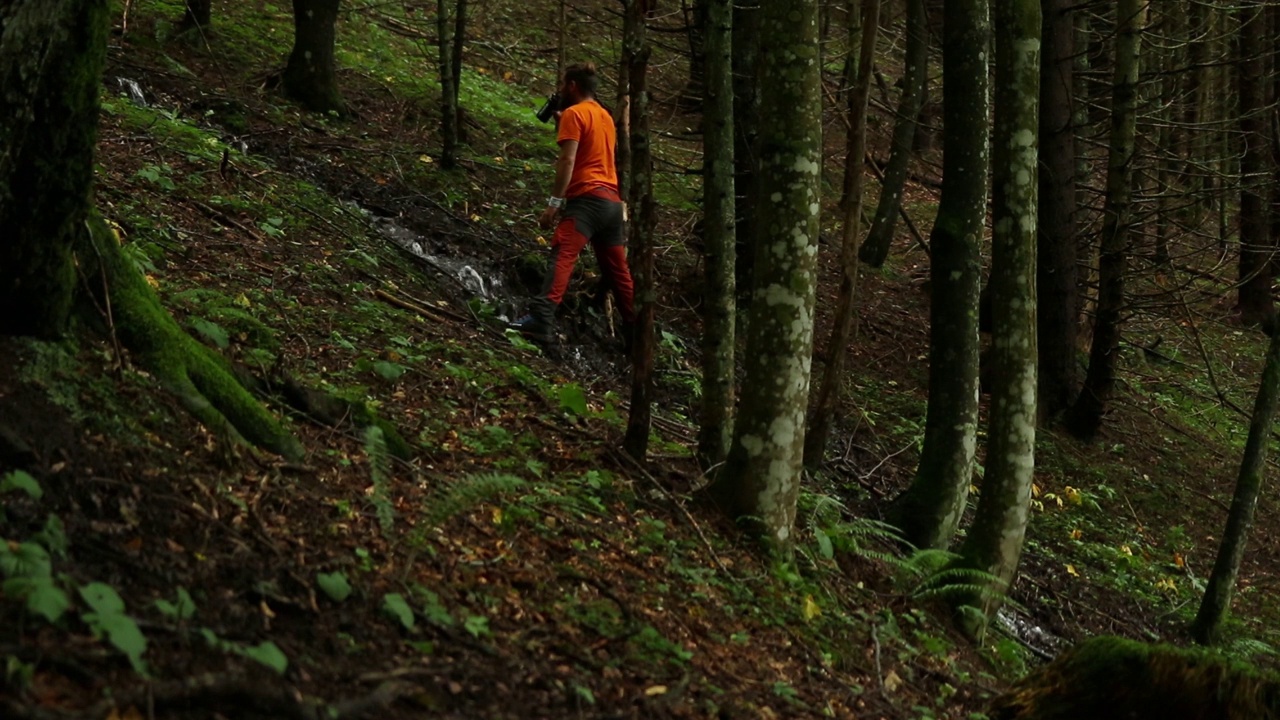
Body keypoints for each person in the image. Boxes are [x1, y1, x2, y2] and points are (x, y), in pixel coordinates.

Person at [511, 63, 636, 350]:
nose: (558, 90)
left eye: (561, 84)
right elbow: (589, 154)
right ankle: (637, 335)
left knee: (563, 254)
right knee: (618, 271)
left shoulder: (574, 113)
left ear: (572, 86)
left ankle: (541, 321)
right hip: (612, 204)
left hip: (587, 202)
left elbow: (568, 161)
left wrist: (554, 204)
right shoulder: (605, 117)